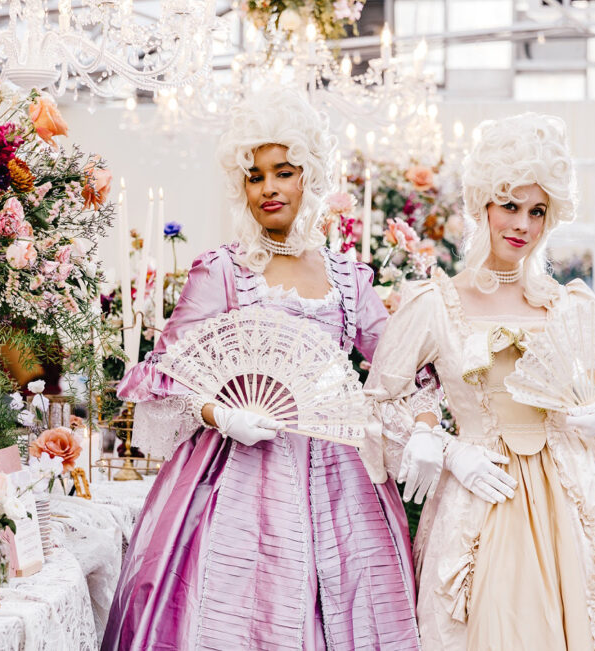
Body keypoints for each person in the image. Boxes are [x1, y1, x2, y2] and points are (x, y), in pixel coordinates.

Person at [362, 113, 595, 651]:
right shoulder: (436, 304)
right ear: (483, 203)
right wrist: (445, 445)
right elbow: (379, 400)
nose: (522, 224)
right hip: (484, 488)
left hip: (578, 488)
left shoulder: (566, 304)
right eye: (510, 204)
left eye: (537, 211)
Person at [101, 89, 420, 651]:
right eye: (255, 176)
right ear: (241, 187)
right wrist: (219, 413)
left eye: (283, 171)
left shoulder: (348, 278)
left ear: (309, 177)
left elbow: (400, 367)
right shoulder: (223, 271)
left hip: (342, 474)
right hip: (236, 470)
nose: (269, 187)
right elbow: (168, 374)